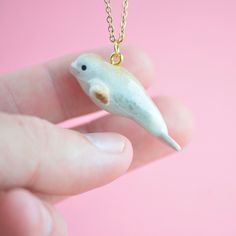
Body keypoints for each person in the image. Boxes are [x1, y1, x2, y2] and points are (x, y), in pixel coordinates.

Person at [0, 47, 192, 236]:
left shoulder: (96, 81)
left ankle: (163, 134)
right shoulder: (97, 76)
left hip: (135, 102)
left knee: (155, 122)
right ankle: (165, 135)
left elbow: (102, 95)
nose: (74, 68)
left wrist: (97, 92)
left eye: (81, 68)